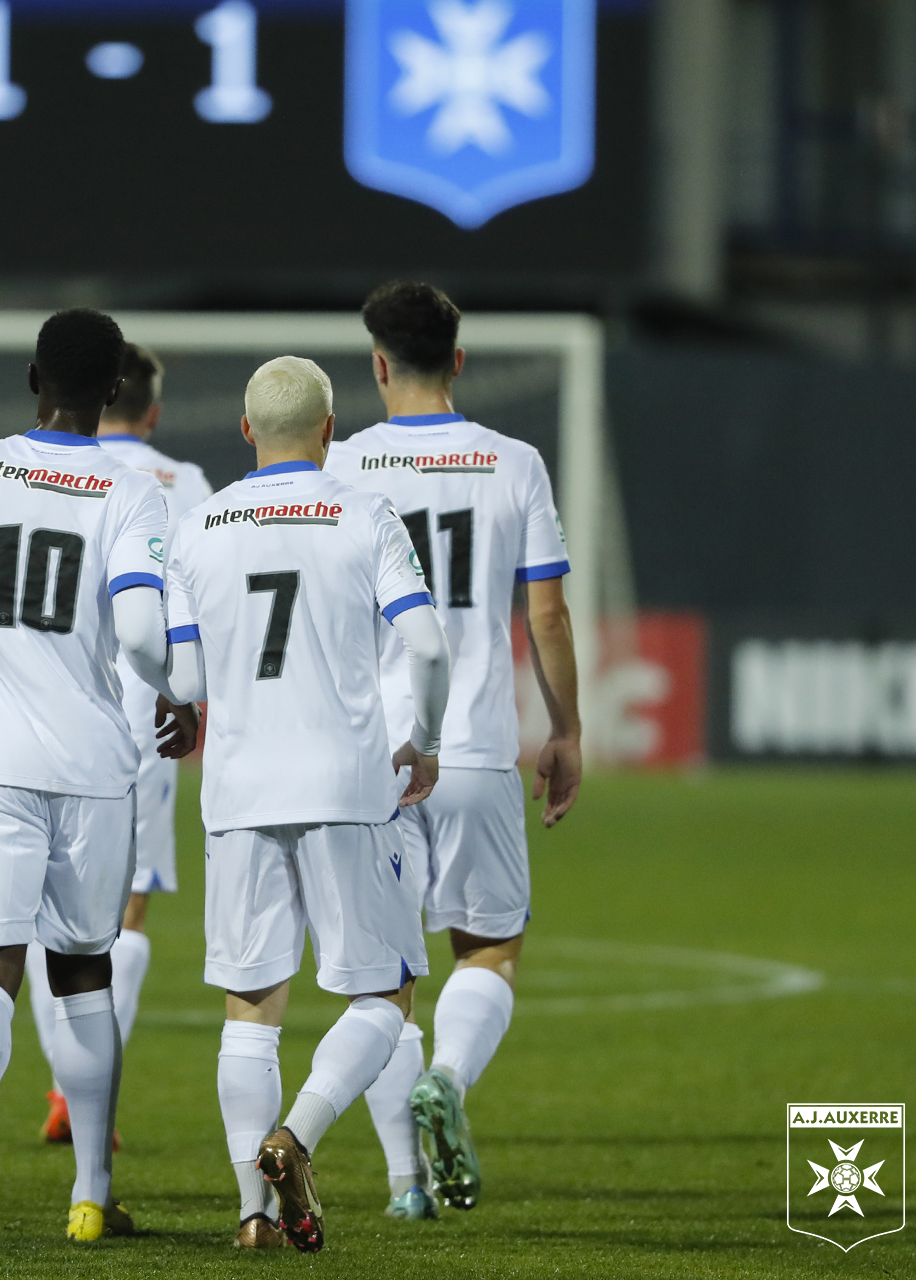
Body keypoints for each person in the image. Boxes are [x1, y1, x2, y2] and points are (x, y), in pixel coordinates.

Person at [0, 308, 197, 1250]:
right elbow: (140, 635)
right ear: (115, 390)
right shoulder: (132, 491)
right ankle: (89, 1194)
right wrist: (177, 693)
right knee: (82, 972)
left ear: (33, 377)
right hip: (91, 762)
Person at [160, 356, 450, 1251]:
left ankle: (253, 1214)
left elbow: (185, 679)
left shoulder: (198, 525)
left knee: (250, 1009)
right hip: (344, 786)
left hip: (238, 789)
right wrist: (426, 742)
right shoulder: (365, 512)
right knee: (386, 997)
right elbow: (428, 647)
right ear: (329, 430)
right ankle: (297, 1135)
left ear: (246, 429)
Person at [324, 281, 580, 1218]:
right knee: (489, 948)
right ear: (459, 360)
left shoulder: (341, 464)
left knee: (385, 979)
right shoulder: (515, 462)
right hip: (473, 746)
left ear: (378, 364)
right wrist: (567, 729)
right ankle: (452, 1079)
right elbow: (545, 614)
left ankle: (407, 1185)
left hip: (373, 757)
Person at [27, 341, 212, 1145]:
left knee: (44, 903)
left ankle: (62, 1085)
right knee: (128, 906)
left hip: (45, 703)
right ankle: (84, 1091)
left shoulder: (39, 470)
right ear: (153, 411)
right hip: (146, 709)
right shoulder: (185, 483)